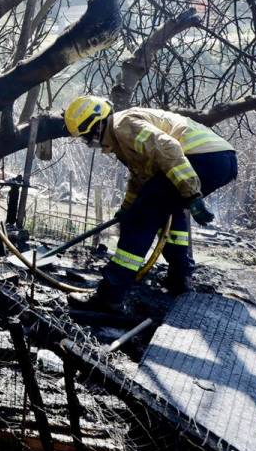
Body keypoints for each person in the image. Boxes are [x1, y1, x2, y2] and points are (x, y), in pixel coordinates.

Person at [62, 95, 237, 312]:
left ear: (94, 127)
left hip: (201, 159)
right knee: (167, 211)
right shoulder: (121, 135)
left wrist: (191, 193)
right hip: (223, 160)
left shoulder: (123, 125)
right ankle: (179, 279)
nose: (88, 144)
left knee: (140, 221)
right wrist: (126, 208)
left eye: (85, 137)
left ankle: (110, 296)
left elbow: (168, 148)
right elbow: (142, 178)